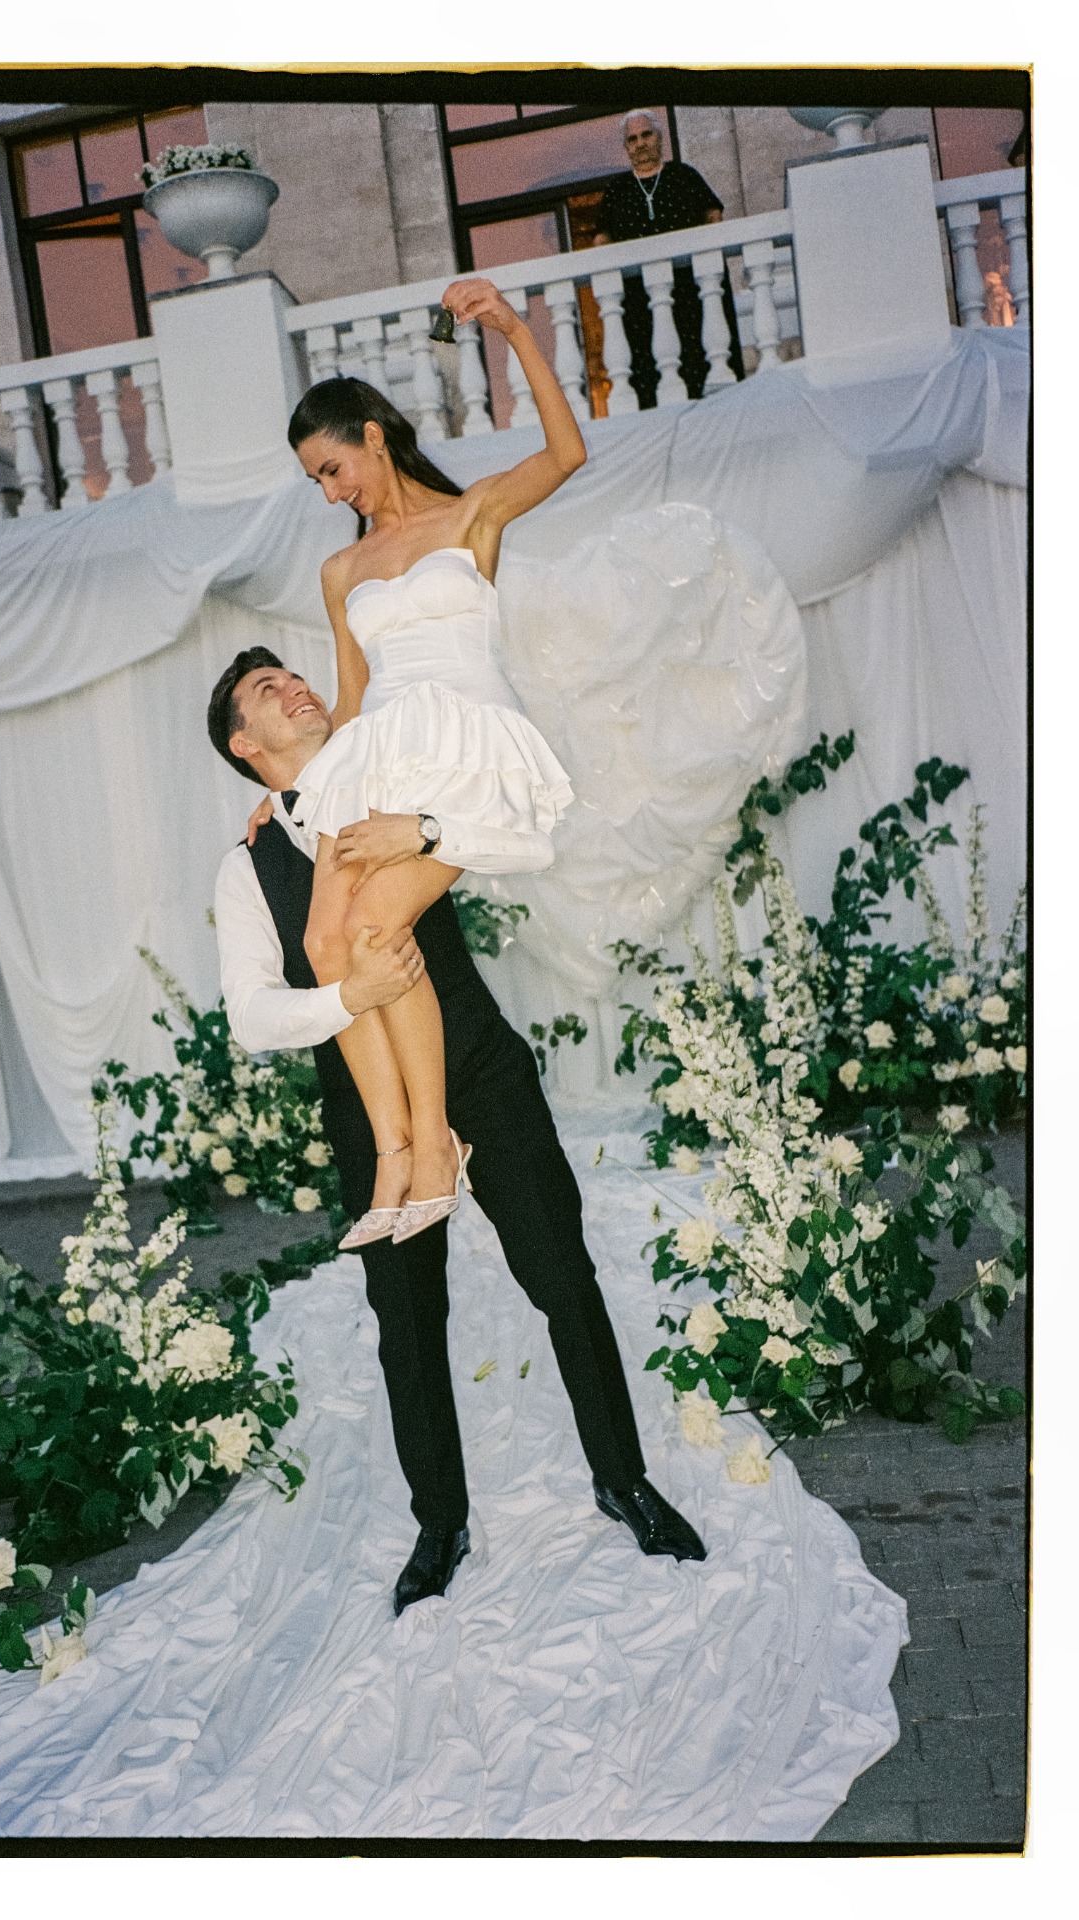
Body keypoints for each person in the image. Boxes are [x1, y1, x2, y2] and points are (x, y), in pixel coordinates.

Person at [208, 648, 707, 1613]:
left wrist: (426, 825)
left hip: (481, 1065)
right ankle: (440, 1524)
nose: (297, 687)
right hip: (369, 1114)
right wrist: (349, 996)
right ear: (243, 744)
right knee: (407, 1322)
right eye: (268, 691)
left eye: (294, 675)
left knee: (562, 1274)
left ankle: (625, 1482)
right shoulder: (246, 866)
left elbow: (508, 813)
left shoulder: (395, 772)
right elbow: (253, 1014)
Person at [244, 276, 583, 1257]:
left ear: (371, 436)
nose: (329, 492)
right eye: (315, 482)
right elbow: (350, 702)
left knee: (375, 926)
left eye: (331, 467)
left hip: (464, 746)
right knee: (323, 941)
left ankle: (436, 1143)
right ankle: (394, 1152)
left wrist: (510, 327)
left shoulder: (472, 515)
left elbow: (566, 452)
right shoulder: (341, 570)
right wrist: (288, 796)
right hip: (380, 749)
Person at [592, 110, 746, 407]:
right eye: (632, 139)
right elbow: (601, 240)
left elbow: (713, 215)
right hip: (641, 306)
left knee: (704, 377)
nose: (640, 143)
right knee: (654, 383)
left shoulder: (683, 176)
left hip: (691, 297)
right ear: (626, 147)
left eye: (646, 135)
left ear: (660, 137)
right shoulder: (617, 191)